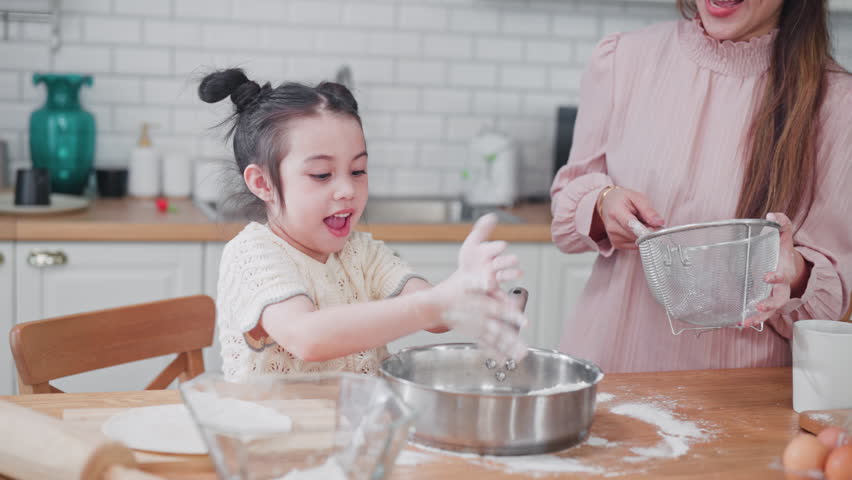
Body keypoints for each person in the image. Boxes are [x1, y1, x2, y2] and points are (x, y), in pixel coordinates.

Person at [550, 0, 851, 373]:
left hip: (733, 399)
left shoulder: (836, 103)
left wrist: (795, 275)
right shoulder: (622, 59)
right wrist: (602, 205)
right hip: (610, 374)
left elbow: (827, 304)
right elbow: (566, 208)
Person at [200, 69, 527, 381]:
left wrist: (465, 290)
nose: (347, 190)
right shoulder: (252, 254)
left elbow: (437, 318)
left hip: (353, 432)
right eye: (322, 175)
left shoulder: (362, 252)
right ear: (263, 182)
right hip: (271, 435)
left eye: (358, 171)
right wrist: (437, 303)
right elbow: (307, 337)